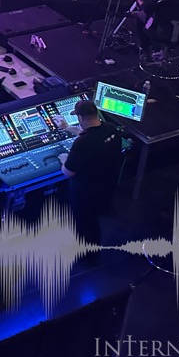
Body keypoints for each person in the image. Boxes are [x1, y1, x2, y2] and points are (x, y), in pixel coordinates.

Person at [58, 100, 123, 251]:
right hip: (108, 183)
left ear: (80, 118)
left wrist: (64, 160)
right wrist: (67, 128)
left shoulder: (83, 143)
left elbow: (68, 172)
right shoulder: (111, 128)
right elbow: (91, 134)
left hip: (86, 192)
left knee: (86, 223)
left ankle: (89, 254)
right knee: (94, 213)